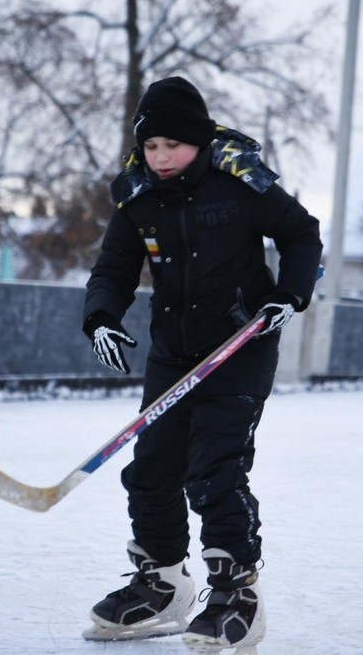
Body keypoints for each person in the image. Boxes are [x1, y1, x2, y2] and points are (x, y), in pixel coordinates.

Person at [81, 75, 323, 649]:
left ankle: (236, 593)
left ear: (199, 141)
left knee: (214, 469)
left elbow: (302, 235)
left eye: (174, 145)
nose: (161, 157)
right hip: (174, 351)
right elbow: (113, 268)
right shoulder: (138, 197)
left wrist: (287, 297)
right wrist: (101, 318)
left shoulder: (240, 184)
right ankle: (163, 583)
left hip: (240, 345)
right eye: (151, 146)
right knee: (152, 470)